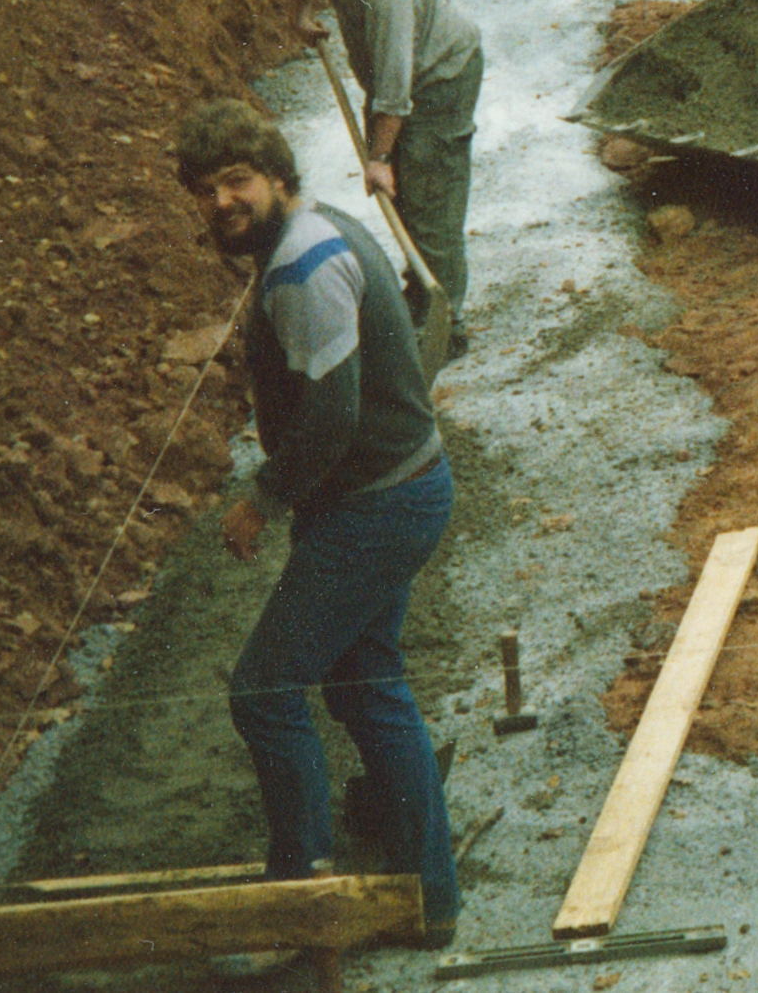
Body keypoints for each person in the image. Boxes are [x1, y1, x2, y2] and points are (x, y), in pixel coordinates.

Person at [173, 97, 458, 946]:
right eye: (206, 188)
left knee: (265, 690)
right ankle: (426, 900)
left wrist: (262, 498)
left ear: (276, 179)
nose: (224, 201)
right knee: (366, 686)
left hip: (377, 506)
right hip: (398, 491)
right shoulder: (309, 231)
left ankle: (298, 906)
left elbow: (332, 420)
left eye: (238, 181)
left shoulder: (301, 270)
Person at [281, 0, 481, 342]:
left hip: (441, 76)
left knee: (431, 203)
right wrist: (299, 20)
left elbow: (395, 85)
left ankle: (446, 329)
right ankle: (421, 294)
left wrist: (378, 159)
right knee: (404, 195)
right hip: (397, 76)